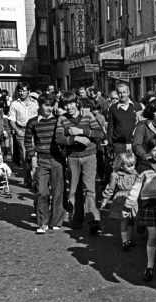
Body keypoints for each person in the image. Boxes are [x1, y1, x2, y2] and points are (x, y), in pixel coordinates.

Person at [126, 135, 156, 281]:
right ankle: (149, 266)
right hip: (149, 206)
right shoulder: (143, 167)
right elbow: (136, 188)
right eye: (154, 150)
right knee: (152, 236)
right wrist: (129, 204)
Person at [55, 91, 105, 234]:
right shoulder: (62, 119)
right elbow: (59, 138)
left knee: (90, 189)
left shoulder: (88, 116)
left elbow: (100, 134)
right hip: (73, 157)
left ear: (76, 102)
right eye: (66, 104)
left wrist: (81, 131)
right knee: (74, 190)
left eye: (71, 103)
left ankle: (93, 221)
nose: (69, 107)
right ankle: (77, 218)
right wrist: (74, 139)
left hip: (90, 156)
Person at [24, 94, 65, 234]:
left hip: (57, 159)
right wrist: (32, 159)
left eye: (51, 105)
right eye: (46, 105)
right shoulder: (32, 122)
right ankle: (42, 223)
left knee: (58, 191)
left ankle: (56, 220)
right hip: (41, 160)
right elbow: (28, 142)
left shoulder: (58, 121)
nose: (49, 108)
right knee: (41, 191)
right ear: (40, 105)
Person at [100, 152, 139, 250]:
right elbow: (110, 189)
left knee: (131, 221)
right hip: (121, 199)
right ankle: (124, 241)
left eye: (133, 165)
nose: (131, 167)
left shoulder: (135, 173)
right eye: (129, 165)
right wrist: (105, 200)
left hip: (132, 199)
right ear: (121, 165)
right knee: (124, 221)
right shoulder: (116, 175)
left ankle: (129, 240)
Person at [8, 82, 38, 185]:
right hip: (22, 131)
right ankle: (27, 179)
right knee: (25, 157)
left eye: (23, 90)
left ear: (29, 92)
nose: (21, 93)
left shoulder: (35, 103)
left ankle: (35, 180)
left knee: (34, 156)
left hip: (34, 132)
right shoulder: (14, 104)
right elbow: (11, 120)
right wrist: (17, 130)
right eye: (19, 91)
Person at [107, 82, 142, 154]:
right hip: (118, 145)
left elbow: (141, 125)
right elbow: (110, 127)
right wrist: (110, 143)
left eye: (124, 92)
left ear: (128, 93)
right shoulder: (113, 108)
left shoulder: (136, 106)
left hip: (134, 144)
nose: (122, 95)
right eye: (119, 93)